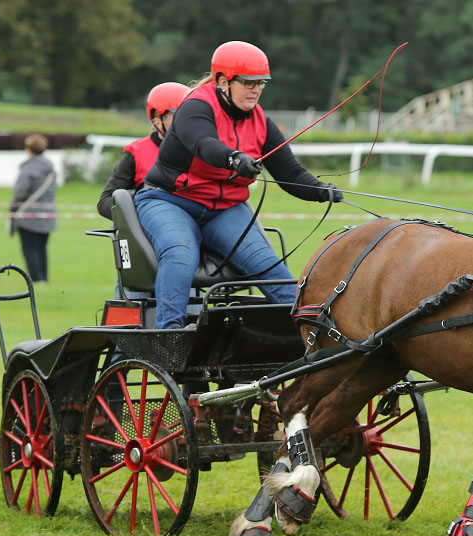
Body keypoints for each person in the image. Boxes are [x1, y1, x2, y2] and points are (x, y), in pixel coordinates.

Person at [135, 40, 341, 329]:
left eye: (261, 83)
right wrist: (234, 159)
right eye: (248, 82)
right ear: (222, 82)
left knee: (272, 270)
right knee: (180, 253)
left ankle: (305, 335)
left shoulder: (262, 122)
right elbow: (204, 144)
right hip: (169, 201)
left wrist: (322, 191)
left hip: (225, 209)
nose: (256, 89)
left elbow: (290, 173)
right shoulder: (194, 107)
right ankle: (170, 334)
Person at [97, 82, 189, 219]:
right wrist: (142, 210)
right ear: (158, 121)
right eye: (178, 116)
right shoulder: (136, 152)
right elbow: (105, 201)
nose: (187, 122)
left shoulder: (202, 149)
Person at [10, 134, 57, 283]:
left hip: (29, 215)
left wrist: (13, 208)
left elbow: (20, 192)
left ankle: (36, 280)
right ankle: (44, 278)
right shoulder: (50, 168)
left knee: (30, 249)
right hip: (48, 214)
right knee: (42, 249)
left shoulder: (28, 168)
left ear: (29, 149)